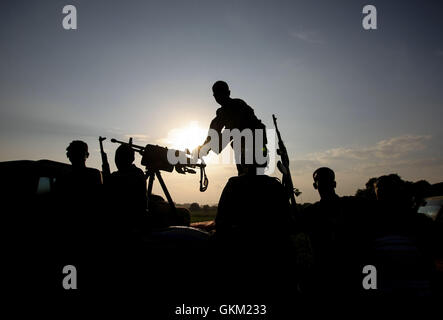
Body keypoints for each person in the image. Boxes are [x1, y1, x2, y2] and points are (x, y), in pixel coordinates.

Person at [300, 167, 366, 295]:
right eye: (322, 181)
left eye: (327, 181)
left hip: (350, 273)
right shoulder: (310, 213)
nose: (325, 185)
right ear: (315, 185)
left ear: (334, 184)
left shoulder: (352, 205)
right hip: (324, 274)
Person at [197, 81, 268, 176]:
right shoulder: (222, 113)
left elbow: (230, 131)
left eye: (221, 93)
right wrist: (202, 149)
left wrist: (205, 149)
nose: (219, 97)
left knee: (249, 178)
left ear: (228, 93)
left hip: (254, 150)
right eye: (216, 94)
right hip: (246, 152)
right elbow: (213, 135)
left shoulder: (238, 105)